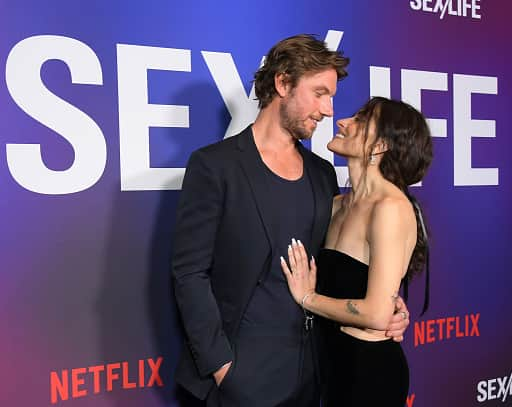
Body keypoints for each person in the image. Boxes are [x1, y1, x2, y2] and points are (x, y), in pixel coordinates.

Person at [172, 35, 411, 407]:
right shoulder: (215, 166)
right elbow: (189, 273)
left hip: (316, 375)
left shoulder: (322, 174)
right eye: (319, 93)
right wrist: (221, 366)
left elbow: (344, 260)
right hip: (241, 379)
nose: (328, 110)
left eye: (330, 96)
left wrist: (389, 307)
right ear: (283, 83)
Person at [281, 97, 432, 407]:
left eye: (361, 120)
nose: (343, 121)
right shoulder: (337, 204)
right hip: (330, 366)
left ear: (380, 146)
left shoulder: (390, 208)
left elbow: (377, 314)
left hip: (368, 374)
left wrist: (308, 299)